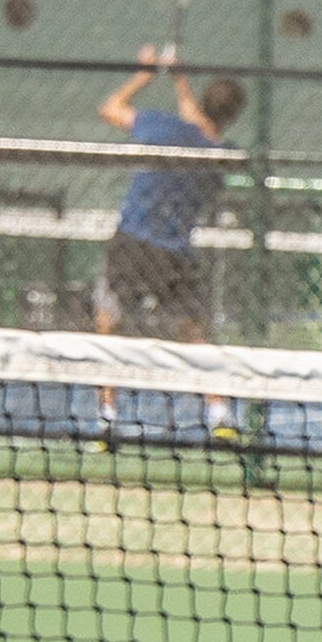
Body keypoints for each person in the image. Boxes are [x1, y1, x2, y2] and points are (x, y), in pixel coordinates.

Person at [94, 46, 245, 437]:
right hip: (175, 255)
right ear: (233, 116)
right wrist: (180, 79)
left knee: (108, 324)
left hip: (132, 244)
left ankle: (107, 415)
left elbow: (110, 108)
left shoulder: (161, 127)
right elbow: (200, 126)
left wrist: (145, 75)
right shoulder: (222, 155)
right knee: (195, 333)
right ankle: (219, 414)